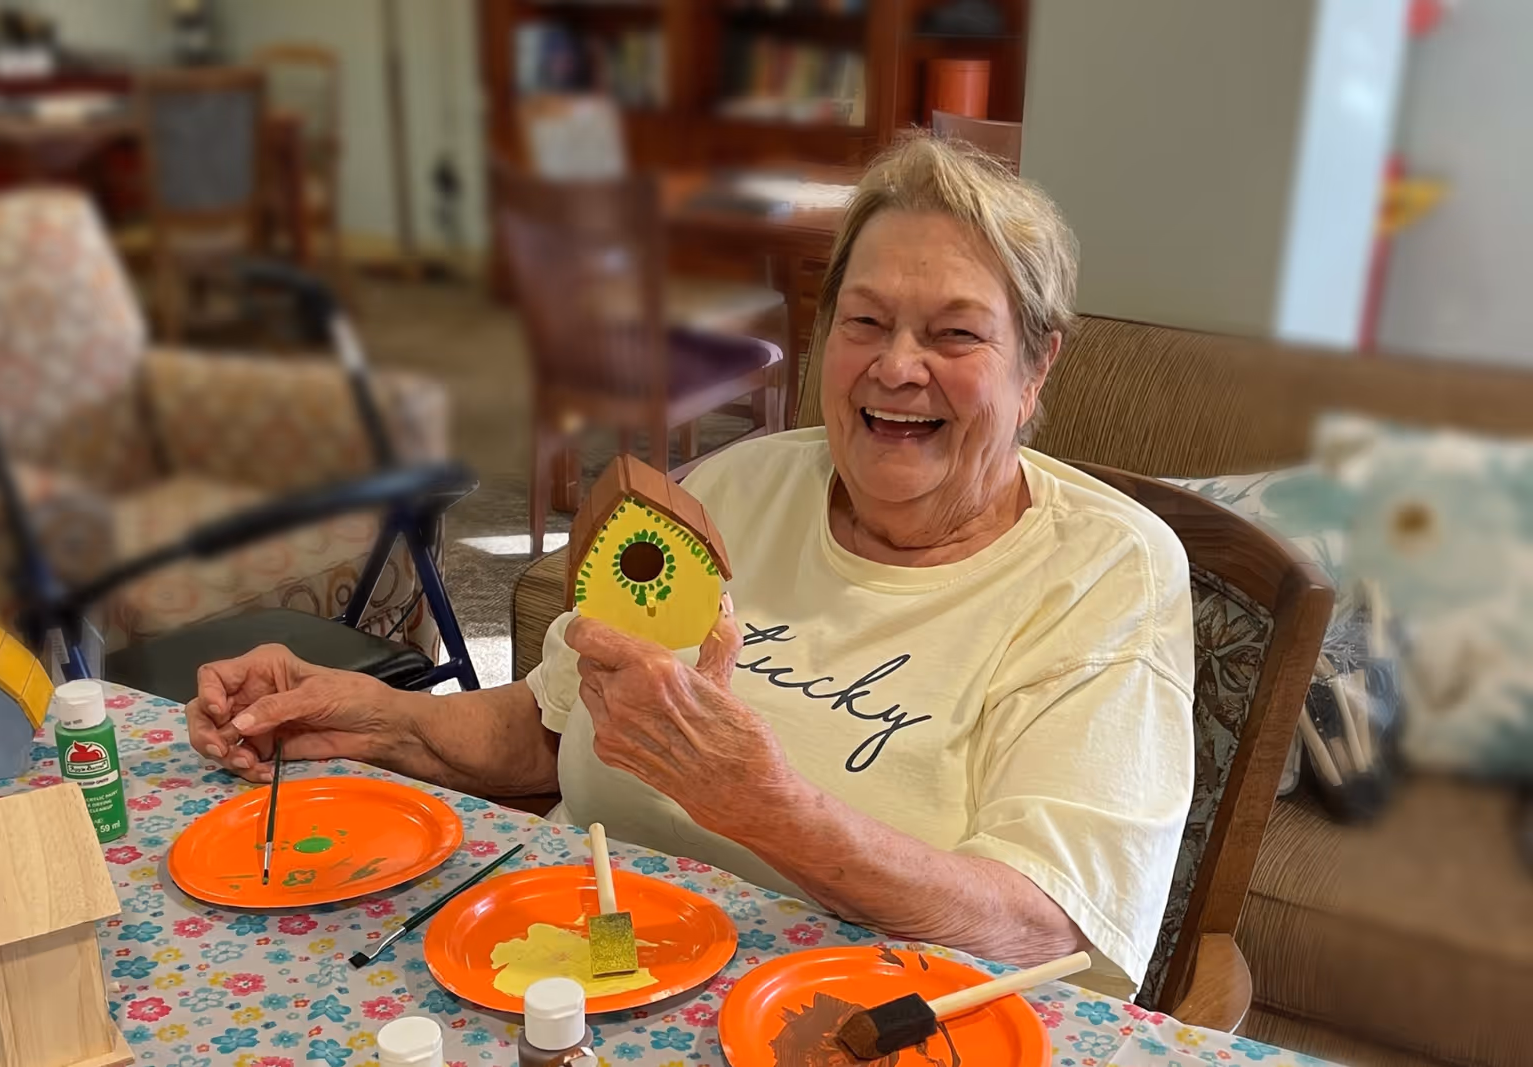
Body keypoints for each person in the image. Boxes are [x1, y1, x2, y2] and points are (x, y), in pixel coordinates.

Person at [185, 134, 1194, 998]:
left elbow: (1045, 929)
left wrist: (766, 805)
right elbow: (553, 724)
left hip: (855, 1023)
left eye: (955, 333)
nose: (895, 365)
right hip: (578, 971)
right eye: (865, 321)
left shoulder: (1104, 573)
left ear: (1036, 367)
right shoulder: (734, 490)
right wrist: (367, 716)